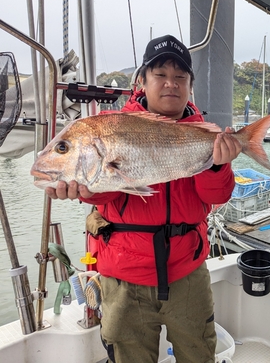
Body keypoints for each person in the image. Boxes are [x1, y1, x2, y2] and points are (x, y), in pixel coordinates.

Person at [45, 34, 242, 363]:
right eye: (160, 75)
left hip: (187, 273)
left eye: (180, 77)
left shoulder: (205, 134)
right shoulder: (109, 128)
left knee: (199, 356)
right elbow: (104, 189)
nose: (171, 84)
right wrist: (77, 183)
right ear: (141, 81)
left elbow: (218, 195)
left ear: (190, 86)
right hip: (124, 278)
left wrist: (219, 162)